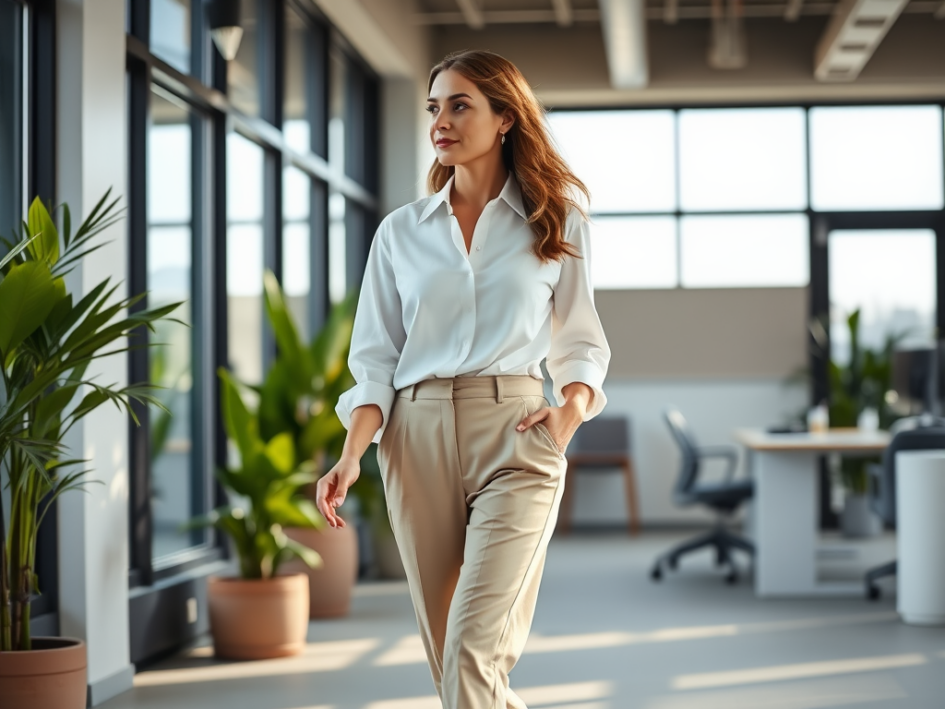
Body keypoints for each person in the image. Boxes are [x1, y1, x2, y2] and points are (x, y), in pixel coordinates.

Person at [315, 49, 611, 709]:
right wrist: (351, 454)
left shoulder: (554, 217)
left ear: (505, 117)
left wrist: (566, 415)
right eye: (433, 108)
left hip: (515, 431)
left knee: (471, 650)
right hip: (412, 437)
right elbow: (375, 358)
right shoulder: (400, 233)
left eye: (458, 105)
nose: (440, 122)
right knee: (452, 658)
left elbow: (581, 339)